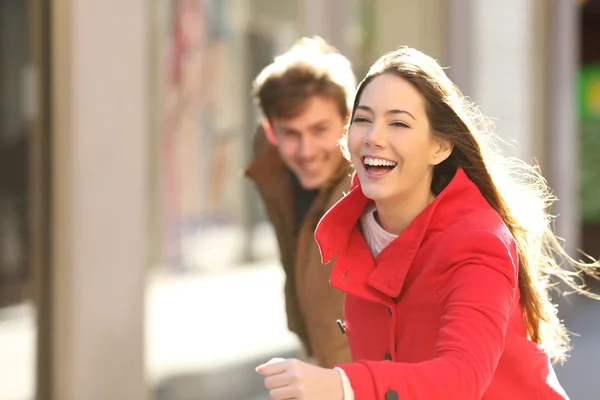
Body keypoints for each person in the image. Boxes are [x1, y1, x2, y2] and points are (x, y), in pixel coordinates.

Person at [255, 46, 599, 399]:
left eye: (399, 123)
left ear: (440, 146)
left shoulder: (478, 241)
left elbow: (461, 379)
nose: (374, 136)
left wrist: (341, 385)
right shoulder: (352, 231)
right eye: (363, 119)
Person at [245, 37, 356, 368]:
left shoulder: (371, 185)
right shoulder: (274, 169)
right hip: (315, 355)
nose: (306, 151)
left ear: (348, 120)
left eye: (320, 129)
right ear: (271, 131)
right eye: (291, 133)